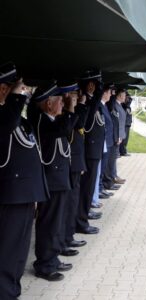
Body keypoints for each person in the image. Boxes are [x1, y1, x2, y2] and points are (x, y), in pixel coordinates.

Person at [0, 63, 48, 298]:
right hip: (10, 195)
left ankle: (11, 290)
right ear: (3, 90)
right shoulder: (5, 117)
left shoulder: (17, 118)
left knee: (17, 252)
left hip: (23, 195)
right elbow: (5, 126)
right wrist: (16, 99)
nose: (24, 93)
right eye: (16, 88)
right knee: (7, 252)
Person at [27, 81, 79, 281]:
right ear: (49, 104)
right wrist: (72, 107)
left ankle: (53, 258)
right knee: (49, 223)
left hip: (59, 178)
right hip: (51, 180)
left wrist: (69, 107)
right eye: (60, 101)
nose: (63, 104)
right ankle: (45, 264)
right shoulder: (42, 121)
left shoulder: (52, 120)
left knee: (57, 222)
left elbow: (66, 127)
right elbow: (65, 128)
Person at [59, 81, 88, 256]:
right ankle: (63, 239)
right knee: (67, 205)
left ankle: (68, 237)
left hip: (75, 163)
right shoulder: (64, 116)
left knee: (72, 203)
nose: (76, 99)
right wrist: (75, 107)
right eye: (74, 96)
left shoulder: (72, 114)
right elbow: (76, 128)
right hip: (68, 165)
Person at [76, 71, 104, 235]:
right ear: (90, 84)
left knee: (88, 187)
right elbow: (86, 124)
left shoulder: (91, 100)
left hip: (93, 150)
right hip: (88, 150)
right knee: (86, 188)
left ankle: (83, 216)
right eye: (96, 84)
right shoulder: (85, 100)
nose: (97, 87)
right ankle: (81, 220)